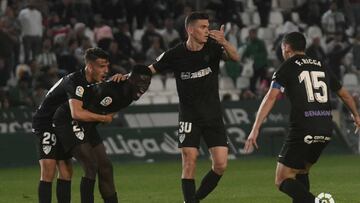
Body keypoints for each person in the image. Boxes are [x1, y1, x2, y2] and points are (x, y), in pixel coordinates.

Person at [244, 32, 360, 203]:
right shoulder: (321, 65)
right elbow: (344, 94)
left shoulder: (288, 66)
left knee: (282, 179)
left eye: (282, 50)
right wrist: (356, 115)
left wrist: (255, 129)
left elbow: (271, 97)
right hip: (326, 128)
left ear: (287, 48)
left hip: (304, 128)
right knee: (301, 172)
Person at [148, 11, 240, 203]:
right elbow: (150, 70)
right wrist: (128, 77)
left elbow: (235, 57)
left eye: (208, 27)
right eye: (203, 27)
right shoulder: (175, 54)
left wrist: (224, 41)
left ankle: (193, 200)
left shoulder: (213, 47)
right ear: (190, 29)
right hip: (189, 115)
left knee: (221, 165)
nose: (208, 30)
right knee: (189, 160)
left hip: (213, 114)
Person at [52, 64, 151, 203]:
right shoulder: (110, 88)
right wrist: (104, 117)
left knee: (105, 167)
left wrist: (105, 117)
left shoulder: (129, 95)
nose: (144, 87)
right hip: (70, 120)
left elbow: (106, 115)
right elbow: (83, 110)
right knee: (90, 166)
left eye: (147, 83)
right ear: (131, 79)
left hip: (88, 124)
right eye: (141, 82)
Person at [32, 47, 116, 203]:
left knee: (66, 171)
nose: (106, 70)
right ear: (90, 66)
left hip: (63, 124)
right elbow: (77, 113)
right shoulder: (76, 81)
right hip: (45, 123)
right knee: (48, 170)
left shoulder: (92, 82)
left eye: (107, 66)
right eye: (102, 66)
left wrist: (120, 79)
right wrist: (103, 119)